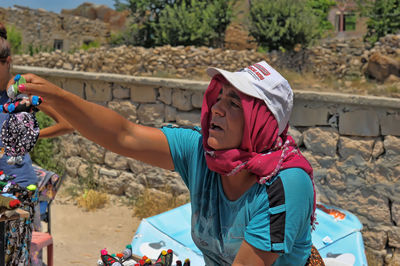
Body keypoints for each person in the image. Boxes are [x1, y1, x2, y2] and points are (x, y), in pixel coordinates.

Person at [19, 60, 320, 265]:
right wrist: (57, 97)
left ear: (261, 122)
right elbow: (124, 136)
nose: (216, 109)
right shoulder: (202, 154)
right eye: (219, 97)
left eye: (234, 104)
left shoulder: (284, 184)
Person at [0, 22, 73, 265]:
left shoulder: (23, 91)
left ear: (7, 61)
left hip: (19, 190)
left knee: (14, 260)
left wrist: (32, 136)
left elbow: (67, 123)